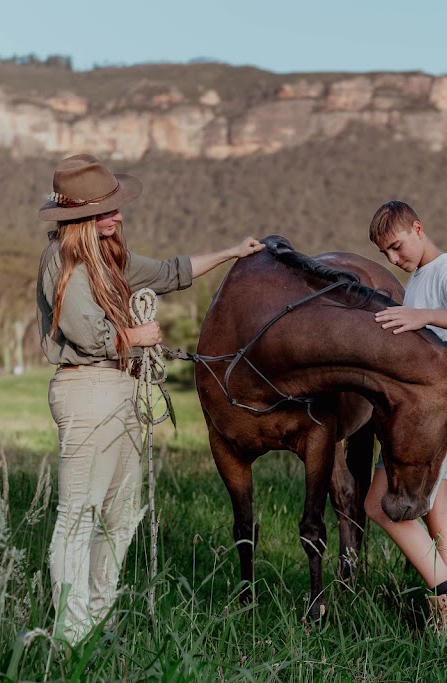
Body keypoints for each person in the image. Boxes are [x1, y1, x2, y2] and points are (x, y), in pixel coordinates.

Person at [35, 153, 263, 644]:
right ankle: (69, 633)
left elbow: (169, 272)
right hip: (87, 388)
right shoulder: (65, 262)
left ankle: (96, 617)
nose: (118, 217)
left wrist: (229, 253)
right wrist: (134, 338)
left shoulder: (109, 257)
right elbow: (86, 332)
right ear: (80, 217)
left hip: (119, 388)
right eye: (107, 211)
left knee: (121, 514)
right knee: (78, 514)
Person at [364, 199, 447, 644]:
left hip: (428, 420)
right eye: (386, 255)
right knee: (438, 513)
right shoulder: (419, 277)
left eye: (397, 247)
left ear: (418, 228)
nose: (394, 260)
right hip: (418, 416)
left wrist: (422, 315)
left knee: (379, 506)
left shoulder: (445, 269)